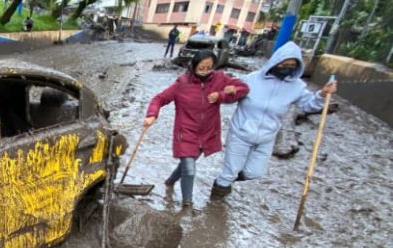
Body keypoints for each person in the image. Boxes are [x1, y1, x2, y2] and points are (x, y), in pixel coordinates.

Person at [210, 41, 338, 198]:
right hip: (240, 133)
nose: (287, 68)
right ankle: (216, 201)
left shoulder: (297, 87)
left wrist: (322, 95)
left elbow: (308, 105)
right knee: (229, 172)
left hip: (267, 137)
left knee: (254, 172)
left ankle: (226, 182)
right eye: (284, 63)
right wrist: (227, 92)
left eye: (292, 65)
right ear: (275, 62)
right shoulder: (251, 79)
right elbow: (230, 99)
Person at [143, 50, 249, 208]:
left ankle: (170, 181)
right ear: (193, 66)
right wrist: (152, 114)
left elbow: (243, 88)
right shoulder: (182, 84)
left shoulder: (220, 79)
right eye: (201, 68)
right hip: (185, 133)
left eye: (209, 68)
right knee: (190, 169)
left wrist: (222, 95)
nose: (205, 72)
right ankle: (187, 205)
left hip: (207, 133)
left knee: (187, 164)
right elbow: (159, 98)